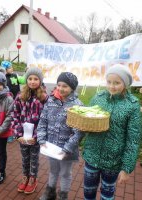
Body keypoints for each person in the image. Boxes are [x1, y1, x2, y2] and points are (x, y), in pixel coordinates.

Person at [82, 64, 141, 200]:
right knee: (88, 192)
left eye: (117, 83)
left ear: (125, 84)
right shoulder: (98, 97)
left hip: (113, 161)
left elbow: (133, 139)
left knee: (107, 196)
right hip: (92, 155)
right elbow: (86, 118)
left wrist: (126, 168)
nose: (112, 86)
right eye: (109, 82)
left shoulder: (132, 105)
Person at [37, 72, 84, 200]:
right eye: (59, 85)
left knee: (65, 173)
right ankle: (50, 191)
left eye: (65, 86)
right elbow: (42, 121)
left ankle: (63, 195)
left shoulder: (77, 105)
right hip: (51, 146)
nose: (61, 88)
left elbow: (78, 131)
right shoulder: (51, 101)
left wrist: (67, 149)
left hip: (67, 150)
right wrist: (41, 139)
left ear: (72, 88)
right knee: (53, 170)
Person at [11, 67, 47, 194]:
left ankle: (33, 178)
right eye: (30, 79)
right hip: (22, 136)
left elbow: (45, 120)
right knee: (25, 158)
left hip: (35, 137)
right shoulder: (20, 96)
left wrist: (37, 136)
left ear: (40, 81)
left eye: (36, 79)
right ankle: (25, 176)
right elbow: (14, 115)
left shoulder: (44, 98)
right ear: (26, 80)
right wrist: (18, 134)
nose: (32, 81)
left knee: (34, 159)